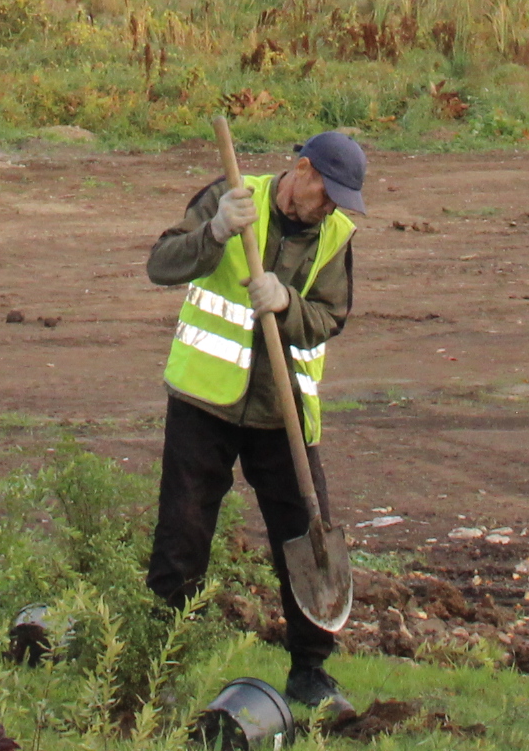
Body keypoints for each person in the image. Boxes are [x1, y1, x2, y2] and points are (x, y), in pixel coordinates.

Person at [144, 129, 364, 712]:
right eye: (329, 193)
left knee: (305, 531)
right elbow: (160, 266)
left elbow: (331, 316)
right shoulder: (229, 195)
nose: (332, 207)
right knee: (183, 530)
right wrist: (215, 231)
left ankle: (311, 672)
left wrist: (289, 305)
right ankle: (159, 661)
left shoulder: (335, 235)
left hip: (283, 408)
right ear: (303, 171)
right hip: (205, 401)